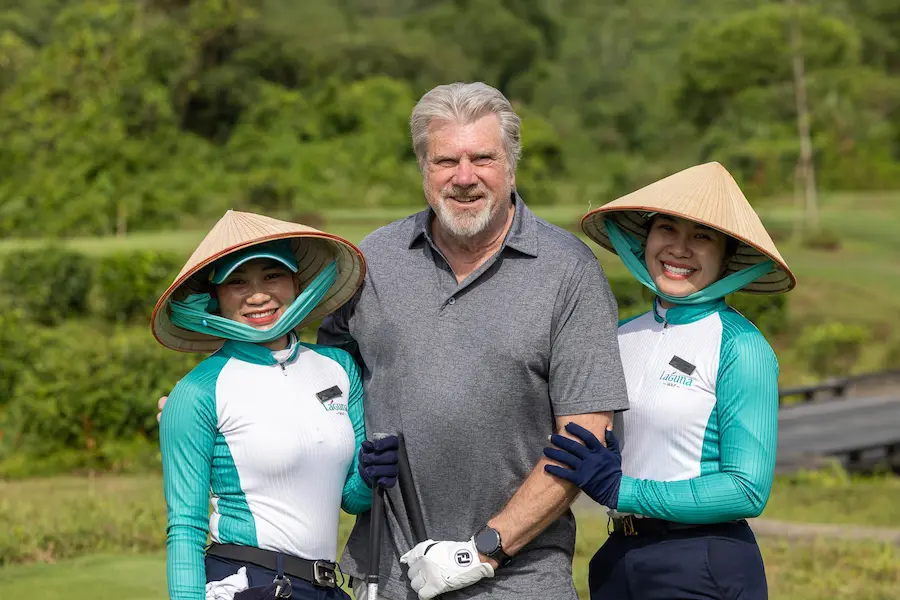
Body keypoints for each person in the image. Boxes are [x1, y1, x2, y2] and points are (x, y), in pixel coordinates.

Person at [315, 82, 629, 600]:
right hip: (389, 577)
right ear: (423, 169)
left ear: (511, 166)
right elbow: (320, 386)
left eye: (482, 158)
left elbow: (583, 439)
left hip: (521, 580)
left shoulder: (569, 272)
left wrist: (481, 551)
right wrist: (216, 409)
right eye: (445, 161)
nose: (464, 178)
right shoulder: (373, 261)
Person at [542, 161, 796, 599]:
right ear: (646, 240)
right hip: (616, 558)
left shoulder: (740, 347)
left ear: (728, 256)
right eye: (666, 229)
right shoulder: (619, 336)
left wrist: (624, 490)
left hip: (701, 561)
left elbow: (746, 489)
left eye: (701, 236)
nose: (679, 249)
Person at [151, 210, 400, 600]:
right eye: (237, 282)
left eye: (272, 275)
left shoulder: (339, 367)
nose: (258, 295)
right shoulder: (197, 391)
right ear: (214, 298)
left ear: (296, 282)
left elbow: (351, 499)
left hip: (326, 587)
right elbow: (185, 527)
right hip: (249, 584)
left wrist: (370, 475)